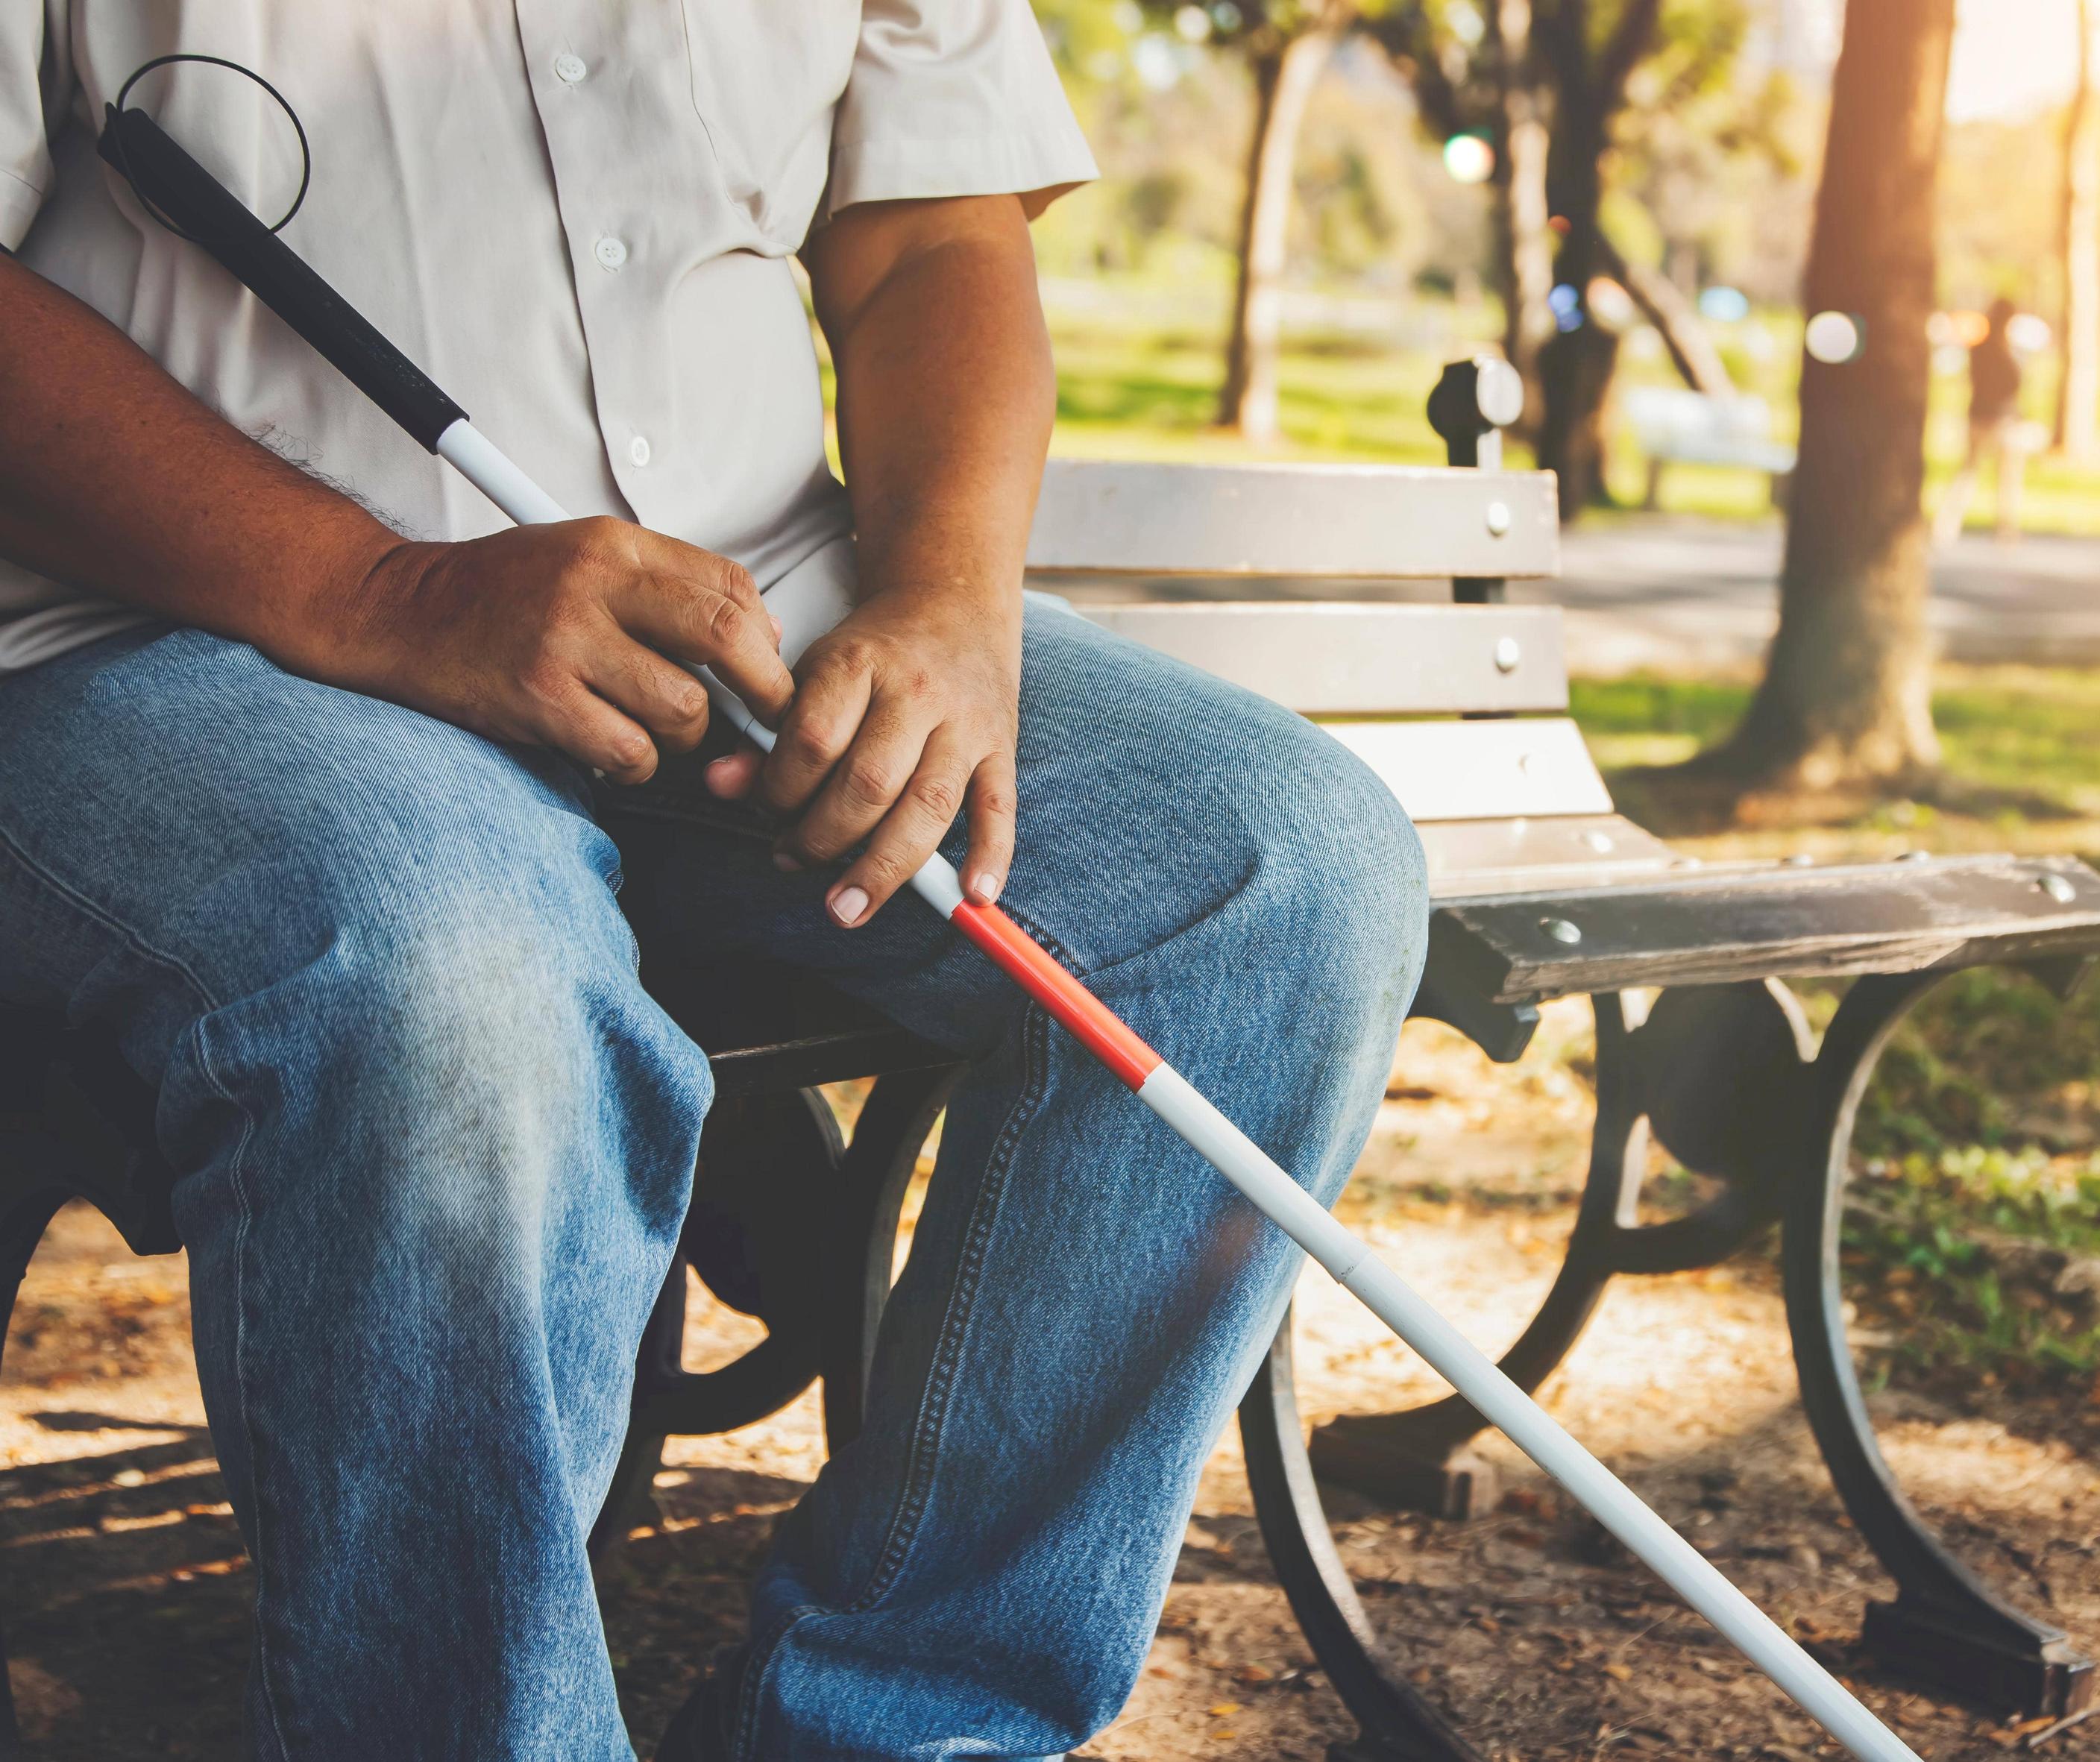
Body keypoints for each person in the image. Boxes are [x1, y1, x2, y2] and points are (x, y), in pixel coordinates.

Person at [0, 9, 1426, 1760]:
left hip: (758, 613)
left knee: (1278, 872)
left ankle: (906, 1730)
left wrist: (951, 601)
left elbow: (930, 232)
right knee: (452, 968)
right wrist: (380, 589)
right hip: (199, 633)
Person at [1931, 295, 2030, 547]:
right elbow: (2013, 385)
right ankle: (2005, 532)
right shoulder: (2006, 353)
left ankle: (1947, 527)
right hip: (2002, 420)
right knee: (2005, 479)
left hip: (1979, 417)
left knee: (1969, 473)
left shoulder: (1980, 351)